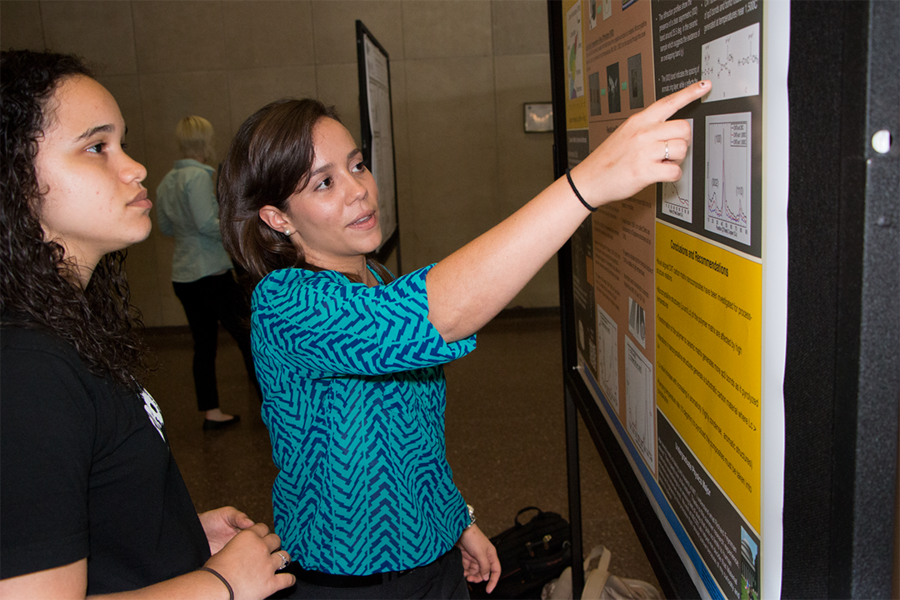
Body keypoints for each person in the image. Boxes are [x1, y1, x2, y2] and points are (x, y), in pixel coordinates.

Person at [217, 82, 710, 599]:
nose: (358, 189)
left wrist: (457, 519)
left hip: (435, 563)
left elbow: (414, 439)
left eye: (357, 165)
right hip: (346, 584)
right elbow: (439, 315)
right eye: (323, 183)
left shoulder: (378, 280)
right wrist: (587, 184)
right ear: (277, 217)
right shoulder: (287, 302)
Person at [0, 49, 295, 599]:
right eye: (96, 147)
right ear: (15, 179)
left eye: (122, 142)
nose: (134, 167)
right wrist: (219, 587)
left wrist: (172, 537)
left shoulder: (63, 328)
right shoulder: (26, 369)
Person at [156, 115, 260, 431]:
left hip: (183, 274)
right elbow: (206, 223)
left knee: (203, 345)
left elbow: (164, 226)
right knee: (248, 336)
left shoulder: (166, 181)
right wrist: (240, 228)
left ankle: (211, 411)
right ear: (205, 142)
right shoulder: (199, 178)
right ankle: (273, 404)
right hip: (210, 273)